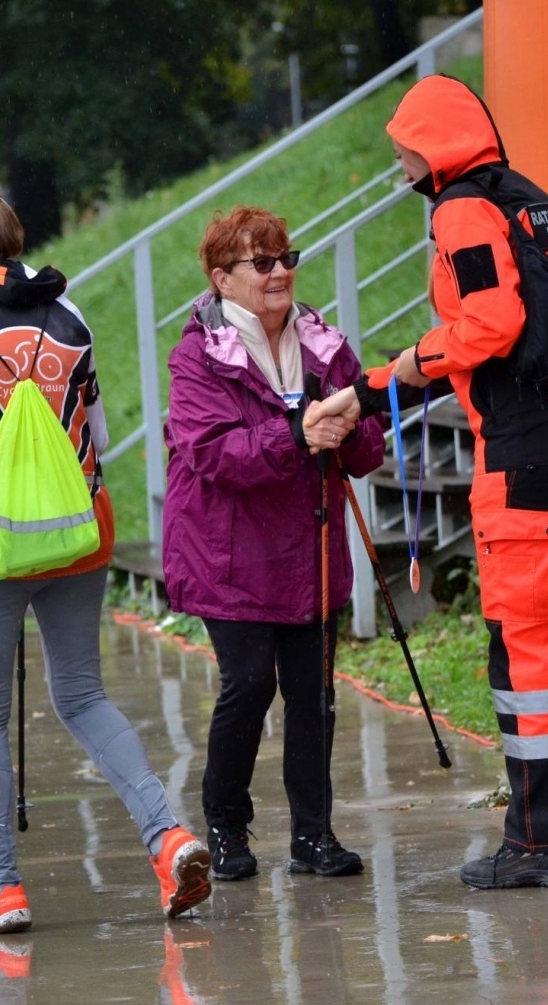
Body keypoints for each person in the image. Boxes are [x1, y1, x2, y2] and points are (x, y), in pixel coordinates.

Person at [306, 75, 548, 889]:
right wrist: (379, 385)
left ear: (433, 146)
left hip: (526, 449)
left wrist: (406, 364)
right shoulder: (533, 200)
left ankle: (540, 845)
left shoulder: (460, 210)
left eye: (403, 152)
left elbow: (492, 324)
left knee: (523, 647)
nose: (400, 169)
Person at [0, 180, 212, 931]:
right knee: (83, 695)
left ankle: (0, 886)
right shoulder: (69, 312)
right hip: (76, 529)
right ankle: (168, 836)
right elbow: (99, 430)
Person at [163, 207, 384, 884]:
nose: (281, 272)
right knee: (250, 685)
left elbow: (368, 450)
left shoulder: (326, 345)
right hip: (225, 552)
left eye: (287, 257)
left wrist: (347, 429)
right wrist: (298, 434)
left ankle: (314, 837)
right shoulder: (197, 354)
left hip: (309, 548)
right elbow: (213, 454)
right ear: (222, 278)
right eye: (263, 263)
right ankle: (227, 828)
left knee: (314, 694)